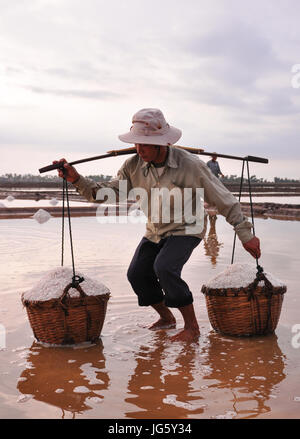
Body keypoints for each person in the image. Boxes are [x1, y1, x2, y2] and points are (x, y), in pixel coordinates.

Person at [53, 108, 261, 342]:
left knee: (165, 267)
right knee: (137, 274)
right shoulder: (133, 165)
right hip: (156, 229)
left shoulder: (189, 165)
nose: (139, 149)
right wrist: (76, 179)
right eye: (137, 143)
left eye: (145, 144)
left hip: (187, 227)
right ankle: (166, 317)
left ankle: (192, 327)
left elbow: (223, 198)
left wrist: (245, 234)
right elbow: (109, 194)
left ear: (162, 144)